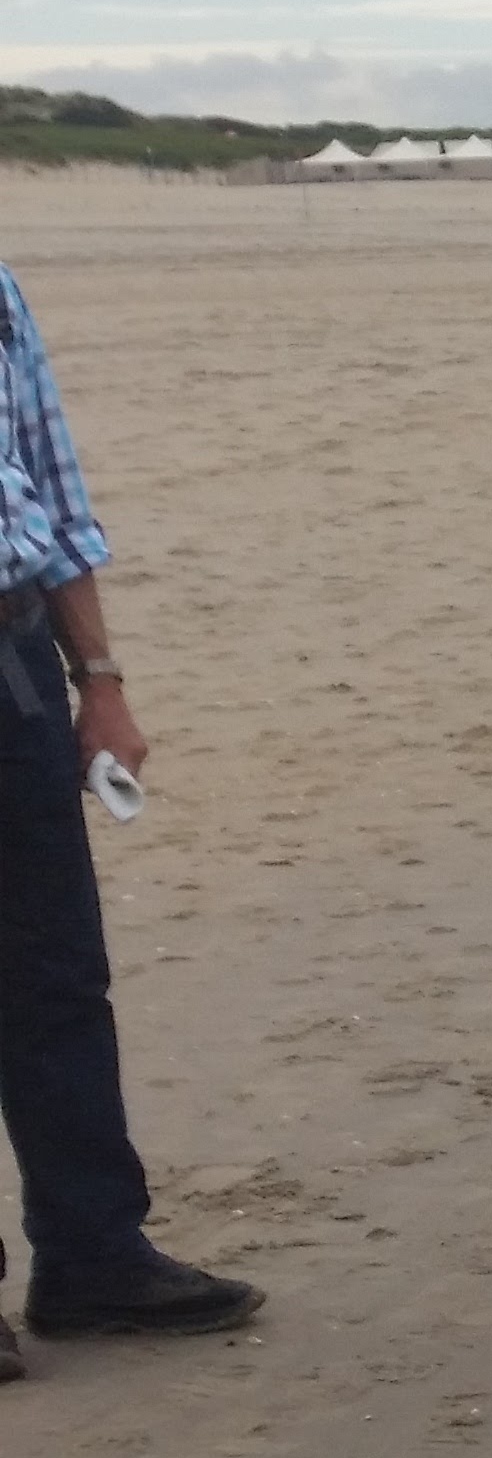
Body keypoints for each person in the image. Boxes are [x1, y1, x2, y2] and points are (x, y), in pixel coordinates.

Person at [0, 259, 262, 1373]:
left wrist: (99, 679)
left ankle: (93, 1255)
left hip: (11, 655)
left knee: (56, 976)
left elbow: (50, 487)